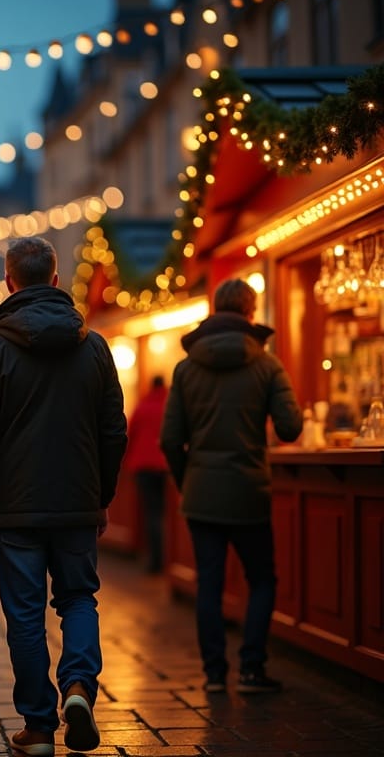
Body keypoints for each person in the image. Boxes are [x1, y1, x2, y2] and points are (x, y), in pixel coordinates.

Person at [0, 237, 126, 756]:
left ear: (9, 282)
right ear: (56, 281)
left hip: (19, 505)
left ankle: (37, 725)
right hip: (77, 499)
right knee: (78, 598)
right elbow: (113, 429)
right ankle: (78, 686)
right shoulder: (94, 346)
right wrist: (102, 495)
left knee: (25, 614)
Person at [160, 277, 302, 695]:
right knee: (261, 579)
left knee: (210, 582)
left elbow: (170, 438)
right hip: (248, 491)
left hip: (202, 493)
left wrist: (190, 480)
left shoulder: (186, 369)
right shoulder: (268, 365)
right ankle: (253, 669)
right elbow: (291, 428)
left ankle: (215, 674)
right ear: (250, 313)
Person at [123, 375, 170, 573]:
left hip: (143, 466)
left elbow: (128, 434)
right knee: (164, 514)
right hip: (164, 466)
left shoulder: (142, 405)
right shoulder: (169, 405)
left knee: (151, 513)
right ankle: (165, 559)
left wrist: (125, 463)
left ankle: (154, 560)